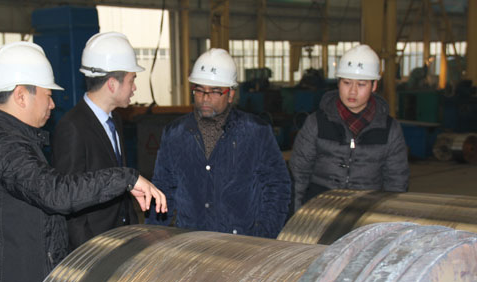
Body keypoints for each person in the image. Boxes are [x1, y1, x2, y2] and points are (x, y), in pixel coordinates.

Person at [0, 42, 166, 282]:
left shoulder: (5, 138)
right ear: (21, 95)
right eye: (47, 95)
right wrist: (126, 178)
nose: (52, 105)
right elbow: (55, 192)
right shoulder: (5, 146)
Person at [146, 48, 291, 238]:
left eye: (215, 91)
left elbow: (277, 187)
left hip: (241, 244)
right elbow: (162, 189)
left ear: (230, 94)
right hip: (192, 242)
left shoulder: (256, 132)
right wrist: (154, 237)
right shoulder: (175, 134)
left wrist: (264, 236)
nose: (205, 98)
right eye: (199, 90)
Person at [289, 44, 409, 212]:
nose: (352, 91)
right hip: (319, 210)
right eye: (346, 83)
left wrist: (388, 219)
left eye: (361, 84)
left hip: (366, 212)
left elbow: (396, 182)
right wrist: (297, 216)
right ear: (338, 83)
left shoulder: (390, 130)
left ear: (374, 86)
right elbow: (298, 174)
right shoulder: (316, 123)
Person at [52, 32, 143, 249]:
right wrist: (89, 255)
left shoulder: (115, 120)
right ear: (112, 84)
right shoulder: (72, 127)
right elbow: (70, 204)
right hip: (95, 248)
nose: (134, 88)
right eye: (132, 80)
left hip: (121, 241)